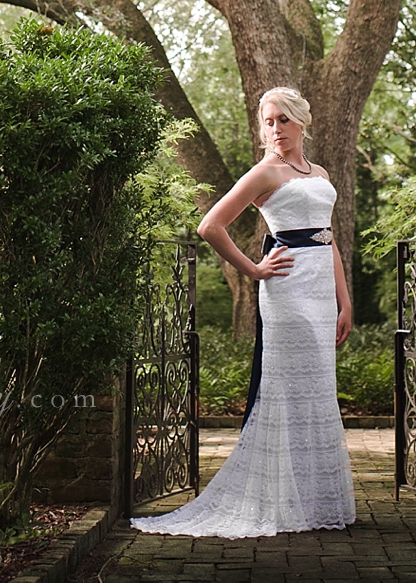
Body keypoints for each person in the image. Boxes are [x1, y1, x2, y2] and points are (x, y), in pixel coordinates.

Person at [131, 86, 356, 538]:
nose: (276, 130)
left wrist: (344, 300)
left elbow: (326, 238)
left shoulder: (320, 171)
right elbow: (210, 225)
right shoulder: (264, 173)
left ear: (301, 122)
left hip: (320, 294)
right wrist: (254, 269)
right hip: (287, 293)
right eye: (268, 122)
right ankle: (280, 500)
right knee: (288, 390)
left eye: (283, 120)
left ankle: (314, 501)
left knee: (318, 390)